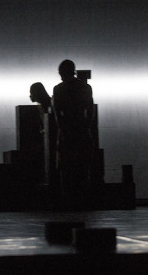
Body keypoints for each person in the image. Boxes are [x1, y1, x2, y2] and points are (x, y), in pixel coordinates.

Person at [51, 59, 95, 205]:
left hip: (67, 130)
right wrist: (87, 125)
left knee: (66, 168)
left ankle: (68, 200)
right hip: (82, 129)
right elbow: (90, 109)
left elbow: (57, 113)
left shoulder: (58, 89)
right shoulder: (85, 87)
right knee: (82, 168)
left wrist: (63, 129)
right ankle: (84, 199)